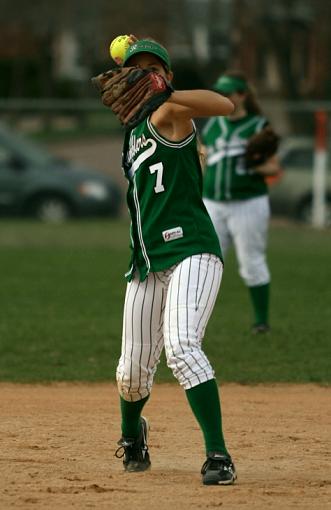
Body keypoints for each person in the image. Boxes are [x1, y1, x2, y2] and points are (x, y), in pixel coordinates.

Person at [113, 38, 237, 485]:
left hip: (192, 250)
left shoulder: (171, 112)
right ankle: (132, 434)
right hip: (147, 262)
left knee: (183, 346)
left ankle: (218, 455)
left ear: (167, 75)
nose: (142, 74)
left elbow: (221, 104)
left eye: (152, 67)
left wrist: (163, 93)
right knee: (131, 373)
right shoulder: (132, 135)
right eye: (135, 69)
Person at [201, 71, 282, 334]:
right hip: (212, 203)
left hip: (248, 203)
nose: (223, 97)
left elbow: (273, 168)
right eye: (220, 92)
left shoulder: (258, 126)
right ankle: (193, 322)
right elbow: (202, 161)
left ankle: (261, 322)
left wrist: (255, 164)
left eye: (229, 93)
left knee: (251, 262)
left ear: (243, 95)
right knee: (204, 262)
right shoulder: (213, 125)